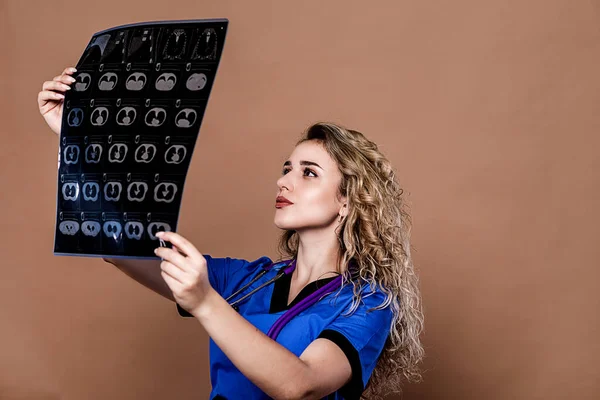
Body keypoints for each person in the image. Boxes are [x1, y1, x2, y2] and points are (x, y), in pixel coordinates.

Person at [38, 67, 425, 400]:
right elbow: (115, 247)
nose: (283, 181)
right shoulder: (247, 280)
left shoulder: (367, 303)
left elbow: (300, 386)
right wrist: (75, 140)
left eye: (308, 173)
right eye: (287, 168)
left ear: (347, 201)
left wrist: (205, 301)